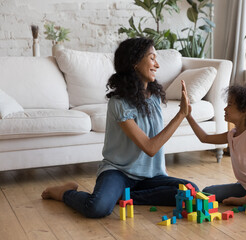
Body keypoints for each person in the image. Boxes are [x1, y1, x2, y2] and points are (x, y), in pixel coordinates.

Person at [41, 37, 199, 218]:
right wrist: (181, 114)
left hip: (150, 176)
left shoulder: (154, 97)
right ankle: (65, 192)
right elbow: (150, 148)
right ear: (134, 63)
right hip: (119, 173)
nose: (157, 65)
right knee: (97, 208)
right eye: (152, 58)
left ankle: (123, 197)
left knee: (190, 190)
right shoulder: (119, 103)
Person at [186, 83, 246, 215]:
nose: (225, 108)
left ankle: (245, 201)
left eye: (230, 104)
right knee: (207, 192)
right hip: (245, 188)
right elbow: (204, 138)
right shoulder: (231, 134)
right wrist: (188, 116)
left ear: (244, 110)